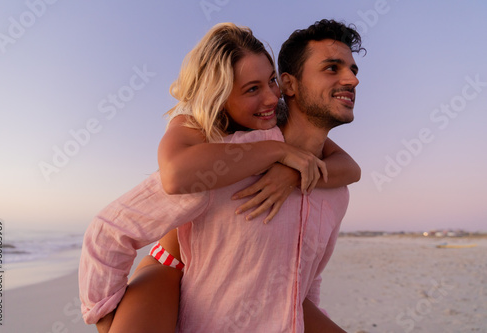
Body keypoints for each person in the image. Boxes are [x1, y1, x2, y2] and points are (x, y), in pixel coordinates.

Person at [80, 19, 363, 332]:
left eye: (353, 69)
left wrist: (293, 172)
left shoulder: (336, 188)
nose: (352, 79)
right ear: (291, 83)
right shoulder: (220, 157)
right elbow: (113, 227)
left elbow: (308, 275)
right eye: (332, 68)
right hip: (168, 270)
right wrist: (104, 316)